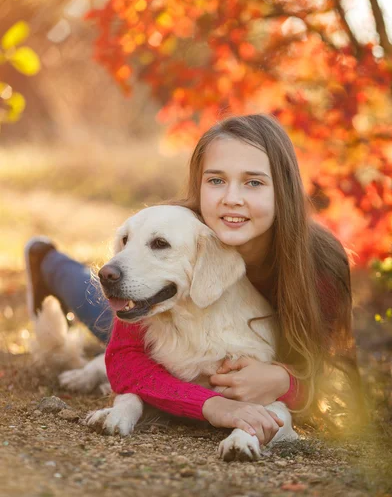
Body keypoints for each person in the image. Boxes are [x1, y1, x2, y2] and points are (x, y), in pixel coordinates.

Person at [25, 114, 360, 445]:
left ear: (282, 190)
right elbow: (125, 361)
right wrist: (212, 405)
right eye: (216, 180)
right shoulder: (178, 227)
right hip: (155, 319)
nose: (232, 197)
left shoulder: (318, 265)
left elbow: (325, 374)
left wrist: (285, 381)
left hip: (210, 341)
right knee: (97, 300)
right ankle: (46, 260)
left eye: (253, 182)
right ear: (199, 185)